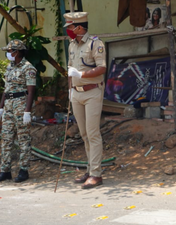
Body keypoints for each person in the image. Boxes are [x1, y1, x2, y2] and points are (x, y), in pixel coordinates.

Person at [63, 12, 107, 189]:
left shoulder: (95, 43)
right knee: (84, 134)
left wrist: (81, 74)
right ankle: (90, 169)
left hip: (92, 92)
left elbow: (102, 68)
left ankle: (96, 174)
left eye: (70, 27)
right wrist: (69, 89)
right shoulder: (72, 45)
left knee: (93, 133)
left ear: (79, 27)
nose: (69, 31)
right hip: (77, 93)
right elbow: (69, 70)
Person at [0, 39, 36, 183]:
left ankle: (24, 170)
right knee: (6, 138)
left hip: (21, 104)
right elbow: (7, 88)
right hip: (9, 105)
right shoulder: (10, 67)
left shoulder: (28, 68)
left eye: (10, 51)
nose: (8, 54)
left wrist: (27, 111)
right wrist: (1, 107)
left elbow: (31, 91)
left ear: (17, 52)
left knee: (23, 138)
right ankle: (5, 170)